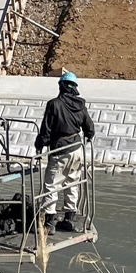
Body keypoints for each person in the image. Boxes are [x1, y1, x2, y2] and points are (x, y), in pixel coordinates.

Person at [33, 70, 94, 234]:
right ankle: (69, 219)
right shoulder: (81, 104)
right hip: (76, 150)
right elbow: (89, 127)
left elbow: (46, 130)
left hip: (59, 151)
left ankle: (50, 223)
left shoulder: (54, 104)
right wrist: (89, 136)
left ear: (61, 86)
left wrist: (40, 144)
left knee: (51, 186)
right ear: (74, 87)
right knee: (72, 183)